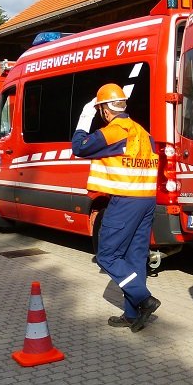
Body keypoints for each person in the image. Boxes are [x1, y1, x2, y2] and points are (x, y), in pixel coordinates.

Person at [72, 84, 161, 332]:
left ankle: (144, 299)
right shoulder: (142, 132)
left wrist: (84, 117)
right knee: (134, 258)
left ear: (103, 110)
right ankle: (132, 315)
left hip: (125, 201)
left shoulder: (115, 131)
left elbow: (79, 147)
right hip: (146, 201)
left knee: (107, 255)